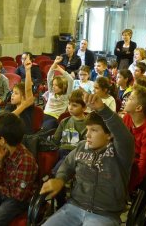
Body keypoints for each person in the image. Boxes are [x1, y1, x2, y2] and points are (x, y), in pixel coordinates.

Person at [40, 93, 134, 226]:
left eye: (94, 130)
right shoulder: (81, 147)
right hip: (74, 208)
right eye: (88, 129)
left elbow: (124, 136)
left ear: (109, 135)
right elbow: (67, 165)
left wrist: (103, 109)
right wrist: (60, 179)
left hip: (104, 214)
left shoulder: (120, 152)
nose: (87, 134)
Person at [4, 57, 35, 134]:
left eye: (16, 93)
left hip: (25, 136)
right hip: (12, 135)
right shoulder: (10, 106)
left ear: (24, 96)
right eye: (12, 93)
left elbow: (28, 89)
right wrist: (23, 106)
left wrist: (27, 70)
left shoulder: (28, 104)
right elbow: (6, 119)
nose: (12, 95)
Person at [42, 56, 74, 130]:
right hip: (45, 113)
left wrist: (60, 69)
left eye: (56, 85)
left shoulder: (66, 95)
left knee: (45, 128)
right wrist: (55, 63)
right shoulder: (51, 92)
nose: (53, 87)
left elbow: (71, 80)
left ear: (62, 87)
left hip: (55, 117)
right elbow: (49, 76)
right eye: (53, 85)